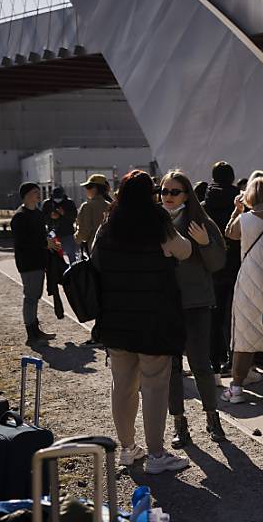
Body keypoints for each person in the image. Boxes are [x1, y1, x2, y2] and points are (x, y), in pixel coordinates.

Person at [91, 169, 192, 474]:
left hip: (116, 320)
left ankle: (126, 449)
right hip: (154, 319)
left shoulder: (108, 225)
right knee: (154, 387)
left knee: (121, 386)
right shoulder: (158, 223)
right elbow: (184, 251)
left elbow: (95, 260)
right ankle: (157, 455)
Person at [159, 170, 228, 447]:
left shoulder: (200, 221)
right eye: (164, 191)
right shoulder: (155, 221)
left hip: (197, 303)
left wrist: (205, 244)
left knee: (200, 363)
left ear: (187, 194)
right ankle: (180, 424)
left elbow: (218, 264)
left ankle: (213, 419)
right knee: (171, 368)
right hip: (165, 304)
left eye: (174, 192)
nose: (168, 197)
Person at [222, 176, 263, 404]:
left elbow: (230, 233)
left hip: (249, 279)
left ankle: (237, 388)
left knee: (244, 336)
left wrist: (237, 210)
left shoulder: (245, 220)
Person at [202, 161, 242, 383]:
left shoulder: (204, 206)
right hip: (237, 266)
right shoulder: (241, 203)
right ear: (233, 178)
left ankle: (214, 364)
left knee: (214, 318)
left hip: (212, 267)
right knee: (234, 318)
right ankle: (236, 363)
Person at [11, 182, 57, 346]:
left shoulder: (37, 213)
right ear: (26, 195)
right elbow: (23, 242)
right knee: (30, 297)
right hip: (28, 263)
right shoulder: (20, 216)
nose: (39, 194)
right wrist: (45, 243)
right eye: (35, 192)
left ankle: (36, 330)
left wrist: (50, 238)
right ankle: (31, 334)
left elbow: (44, 232)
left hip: (39, 261)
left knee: (35, 296)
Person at [76, 174, 112, 259]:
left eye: (88, 187)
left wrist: (76, 237)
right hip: (110, 251)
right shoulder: (110, 205)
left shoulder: (87, 206)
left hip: (93, 252)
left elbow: (84, 234)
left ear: (95, 188)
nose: (86, 190)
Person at [41, 186, 79, 263]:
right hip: (52, 233)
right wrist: (50, 217)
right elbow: (43, 218)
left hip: (67, 232)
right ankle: (56, 271)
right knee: (53, 256)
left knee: (71, 254)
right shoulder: (47, 203)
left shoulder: (69, 203)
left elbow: (74, 217)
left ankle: (73, 272)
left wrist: (64, 213)